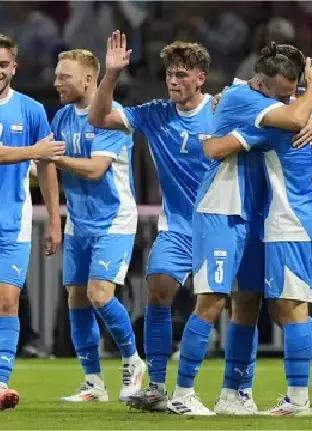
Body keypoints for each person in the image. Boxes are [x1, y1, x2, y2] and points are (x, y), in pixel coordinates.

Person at [193, 43, 312, 416]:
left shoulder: (279, 120)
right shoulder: (307, 105)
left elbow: (215, 149)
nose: (286, 97)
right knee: (285, 309)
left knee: (290, 310)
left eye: (291, 90)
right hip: (309, 221)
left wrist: (223, 117)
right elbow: (311, 106)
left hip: (289, 220)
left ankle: (297, 399)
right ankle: (299, 393)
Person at [88, 32, 216, 411]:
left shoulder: (223, 109)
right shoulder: (155, 113)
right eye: (169, 74)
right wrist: (110, 75)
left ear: (200, 78)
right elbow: (98, 115)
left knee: (249, 307)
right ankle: (158, 386)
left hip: (222, 225)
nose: (173, 80)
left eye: (181, 74)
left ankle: (235, 392)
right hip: (177, 227)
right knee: (157, 291)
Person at [50, 49, 145, 402]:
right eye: (57, 76)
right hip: (78, 221)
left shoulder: (111, 117)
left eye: (64, 77)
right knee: (76, 298)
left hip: (114, 221)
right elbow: (46, 162)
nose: (56, 82)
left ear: (89, 79)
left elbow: (93, 169)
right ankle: (93, 382)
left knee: (99, 294)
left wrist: (52, 158)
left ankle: (133, 361)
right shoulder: (60, 117)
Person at [0, 33, 64, 410]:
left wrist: (55, 221)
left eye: (3, 64)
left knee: (8, 300)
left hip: (13, 221)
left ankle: (1, 380)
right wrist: (34, 150)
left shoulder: (31, 110)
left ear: (14, 67)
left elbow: (47, 167)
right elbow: (34, 154)